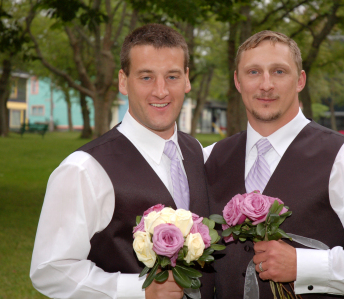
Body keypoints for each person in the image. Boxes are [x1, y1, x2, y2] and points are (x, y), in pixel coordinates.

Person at [204, 30, 344, 298]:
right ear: (237, 81)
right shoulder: (209, 158)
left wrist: (306, 265)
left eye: (279, 72)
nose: (266, 84)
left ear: (300, 80)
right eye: (253, 72)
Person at [30, 24, 213, 299]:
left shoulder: (196, 150)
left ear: (187, 79)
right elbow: (50, 270)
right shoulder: (83, 169)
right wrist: (140, 290)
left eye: (172, 76)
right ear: (123, 81)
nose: (161, 91)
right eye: (146, 77)